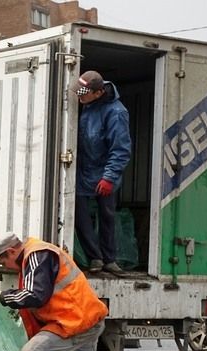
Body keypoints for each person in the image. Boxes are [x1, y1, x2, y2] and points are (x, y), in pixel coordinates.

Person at [74, 70, 131, 274]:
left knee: (107, 216)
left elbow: (121, 149)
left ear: (98, 93)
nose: (79, 97)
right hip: (83, 171)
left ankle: (109, 259)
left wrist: (109, 177)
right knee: (79, 215)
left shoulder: (116, 113)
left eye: (83, 93)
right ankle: (95, 258)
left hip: (104, 172)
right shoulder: (87, 104)